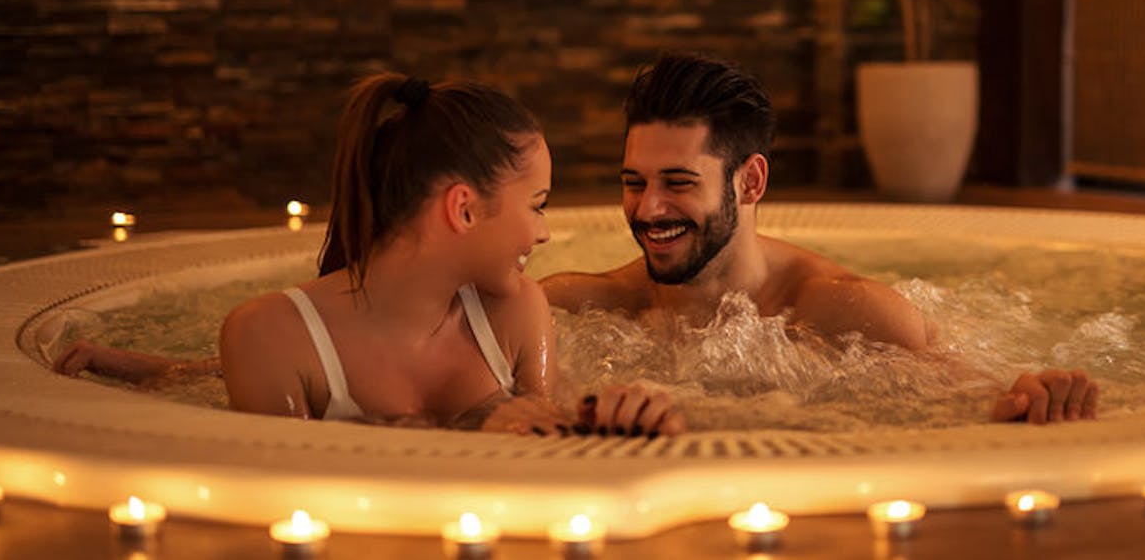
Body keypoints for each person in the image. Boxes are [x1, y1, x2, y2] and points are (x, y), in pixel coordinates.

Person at [58, 73, 684, 437]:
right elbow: (293, 503)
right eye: (539, 204)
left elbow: (547, 437)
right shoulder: (269, 336)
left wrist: (617, 418)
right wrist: (470, 434)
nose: (545, 233)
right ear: (463, 209)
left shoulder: (517, 313)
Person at [540, 52, 1099, 424]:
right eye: (634, 183)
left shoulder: (845, 311)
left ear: (751, 181)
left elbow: (971, 398)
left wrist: (1034, 396)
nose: (649, 208)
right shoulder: (584, 304)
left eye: (679, 183)